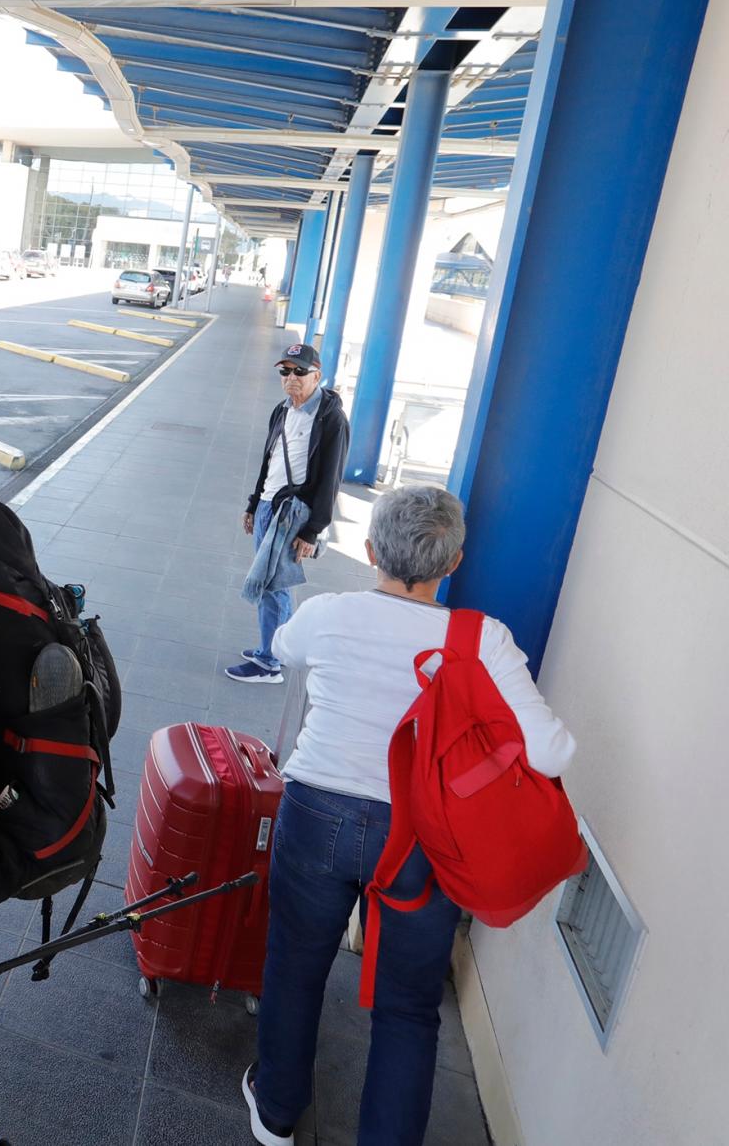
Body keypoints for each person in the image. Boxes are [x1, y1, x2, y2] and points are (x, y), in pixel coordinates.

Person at [242, 485, 577, 1146]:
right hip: (425, 839)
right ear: (451, 563)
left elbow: (284, 648)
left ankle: (276, 1110)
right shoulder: (481, 638)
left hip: (318, 814)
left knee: (295, 964)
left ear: (369, 551)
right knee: (407, 1009)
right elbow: (552, 748)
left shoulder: (329, 612)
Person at [227, 341, 349, 684]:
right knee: (269, 585)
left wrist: (313, 530)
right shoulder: (282, 410)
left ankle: (271, 662)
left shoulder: (331, 419)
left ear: (317, 376)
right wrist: (254, 504)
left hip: (291, 515)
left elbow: (331, 479)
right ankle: (272, 645)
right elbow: (269, 461)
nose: (291, 378)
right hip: (267, 507)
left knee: (274, 587)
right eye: (285, 371)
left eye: (299, 371)